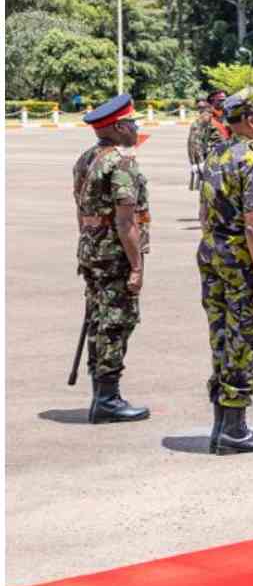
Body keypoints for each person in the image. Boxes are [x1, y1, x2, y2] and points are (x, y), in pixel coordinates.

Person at [198, 90, 253, 454]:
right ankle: (234, 429)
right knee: (243, 340)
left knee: (221, 335)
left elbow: (204, 213)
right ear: (250, 120)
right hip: (242, 262)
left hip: (212, 255)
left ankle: (221, 424)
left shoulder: (216, 154)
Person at [73, 94, 153, 423]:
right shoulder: (121, 161)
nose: (136, 129)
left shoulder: (86, 158)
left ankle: (101, 393)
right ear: (119, 127)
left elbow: (79, 207)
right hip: (114, 253)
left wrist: (88, 240)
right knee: (117, 321)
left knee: (99, 318)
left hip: (92, 248)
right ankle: (107, 398)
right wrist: (136, 266)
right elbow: (125, 220)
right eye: (133, 123)